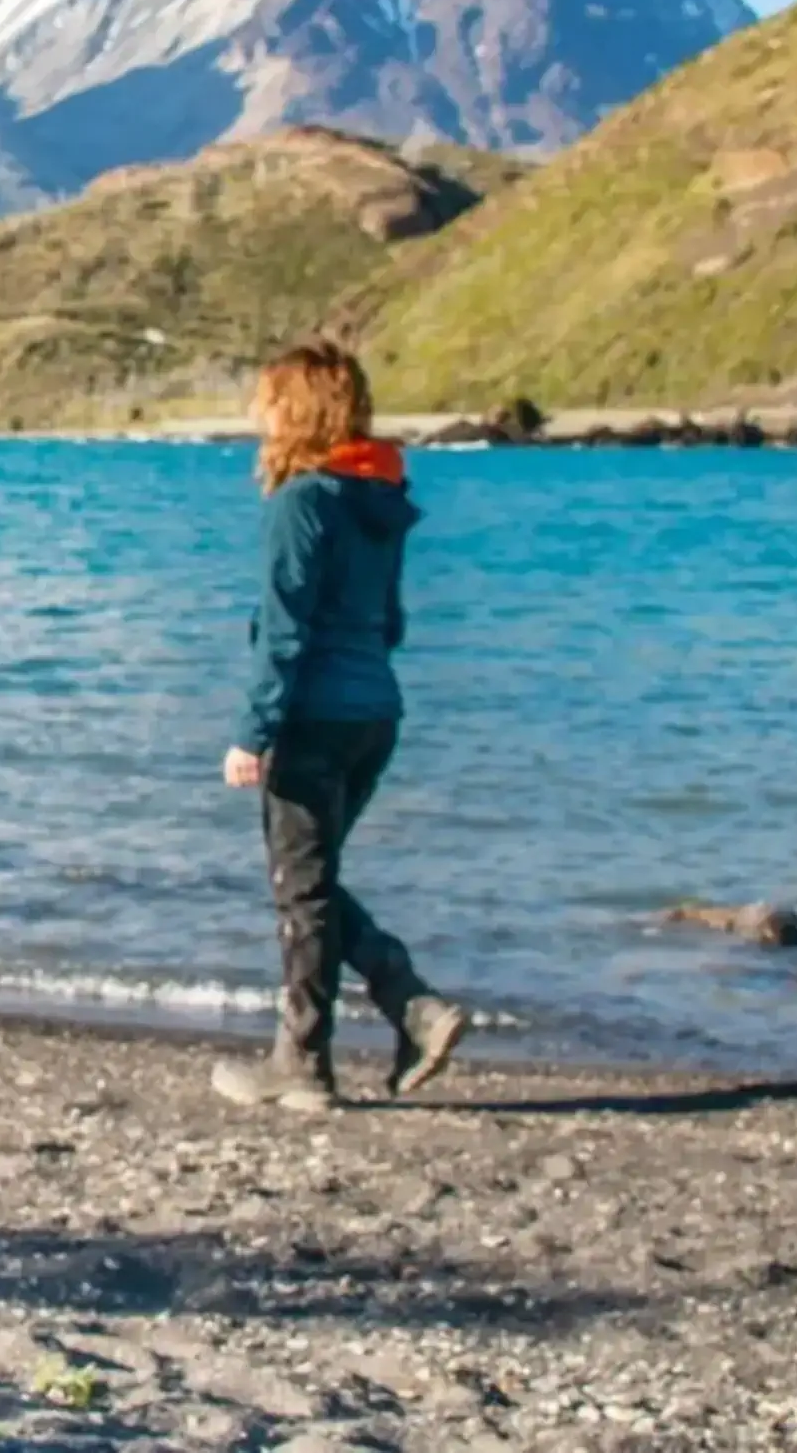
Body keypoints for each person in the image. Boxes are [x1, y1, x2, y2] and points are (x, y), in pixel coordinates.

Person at [211, 340, 466, 1113]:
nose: (258, 420)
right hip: (373, 713)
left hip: (316, 715)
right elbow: (387, 622)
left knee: (302, 891)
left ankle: (310, 1061)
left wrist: (253, 730)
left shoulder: (303, 502)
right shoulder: (377, 500)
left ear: (296, 411)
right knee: (313, 884)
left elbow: (284, 631)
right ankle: (404, 1007)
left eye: (268, 404)